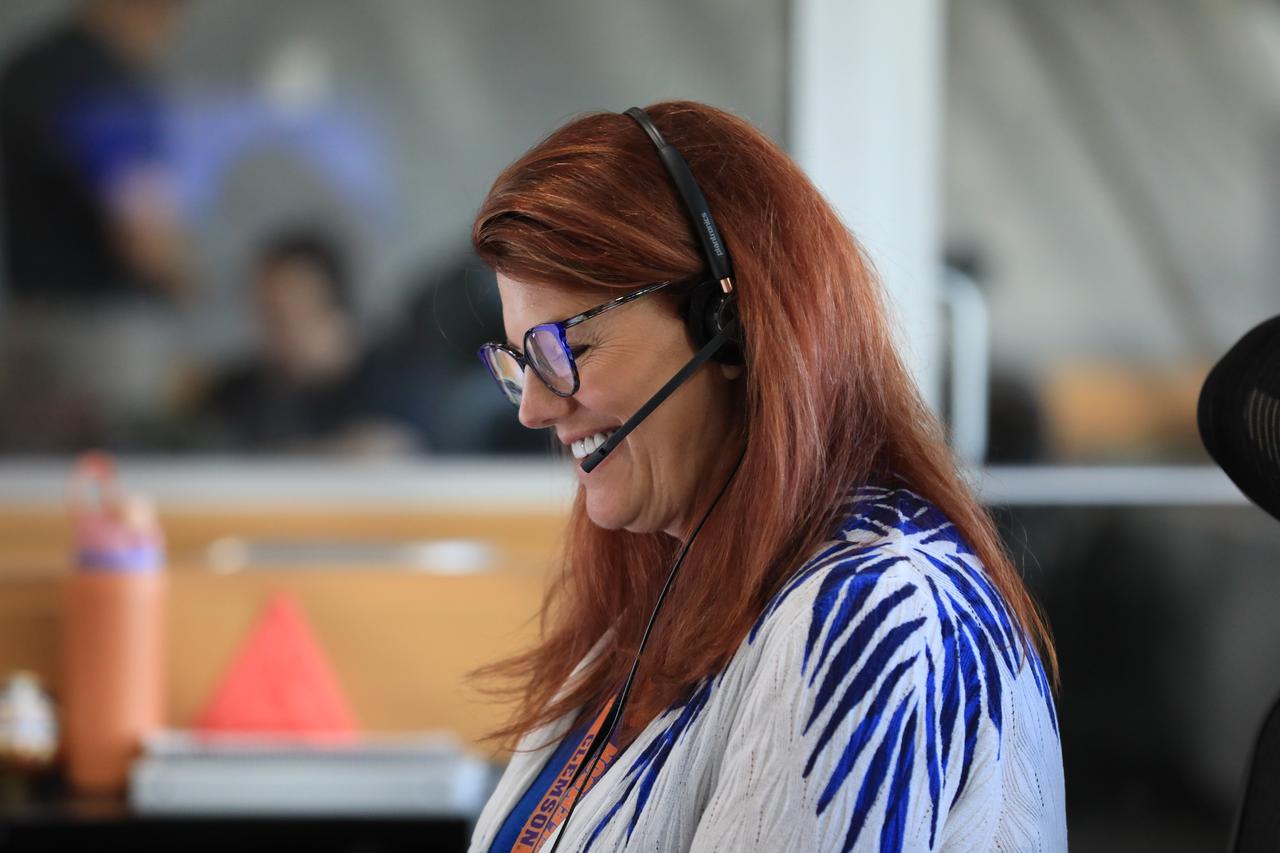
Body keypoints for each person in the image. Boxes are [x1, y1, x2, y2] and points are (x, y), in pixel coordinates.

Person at [465, 101, 1067, 852]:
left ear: (730, 324)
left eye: (565, 349)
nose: (533, 407)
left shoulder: (877, 611)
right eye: (520, 360)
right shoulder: (667, 584)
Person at [0, 0, 186, 302]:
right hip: (105, 318)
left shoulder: (25, 69)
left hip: (31, 304)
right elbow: (141, 230)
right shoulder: (111, 86)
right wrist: (184, 284)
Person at [199, 230, 420, 455]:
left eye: (286, 313)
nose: (272, 331)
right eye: (265, 314)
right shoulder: (249, 389)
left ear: (335, 310)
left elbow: (384, 451)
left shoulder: (394, 385)